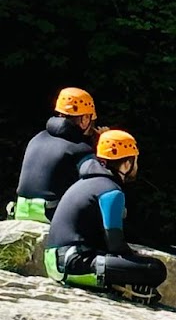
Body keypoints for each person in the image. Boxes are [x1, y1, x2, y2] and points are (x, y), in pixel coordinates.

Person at [44, 130, 166, 301]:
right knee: (155, 269)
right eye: (135, 161)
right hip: (72, 263)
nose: (136, 166)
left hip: (58, 260)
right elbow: (115, 243)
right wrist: (133, 258)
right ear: (126, 164)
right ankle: (128, 288)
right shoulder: (111, 191)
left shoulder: (86, 181)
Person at [11, 88, 100, 222]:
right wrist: (102, 148)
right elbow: (99, 183)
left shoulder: (37, 138)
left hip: (21, 210)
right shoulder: (81, 149)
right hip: (50, 214)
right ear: (85, 119)